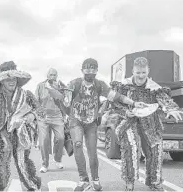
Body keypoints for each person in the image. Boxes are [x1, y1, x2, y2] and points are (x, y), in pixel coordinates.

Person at [63, 58, 146, 191]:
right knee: (77, 145)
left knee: (92, 151)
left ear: (96, 71)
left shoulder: (99, 85)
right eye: (87, 69)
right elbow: (65, 102)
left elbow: (116, 96)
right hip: (76, 121)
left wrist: (133, 103)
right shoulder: (74, 83)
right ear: (82, 70)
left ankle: (95, 179)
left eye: (93, 69)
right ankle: (83, 180)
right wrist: (65, 97)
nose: (90, 72)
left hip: (91, 124)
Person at [110, 57, 182, 191]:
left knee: (155, 149)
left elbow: (164, 100)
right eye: (138, 73)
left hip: (150, 123)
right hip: (129, 122)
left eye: (143, 72)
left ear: (148, 70)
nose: (141, 76)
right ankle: (129, 182)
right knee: (131, 147)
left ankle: (154, 181)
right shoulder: (124, 85)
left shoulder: (154, 87)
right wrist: (126, 112)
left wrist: (171, 109)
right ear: (133, 71)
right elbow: (115, 104)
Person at [0, 61, 41, 191]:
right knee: (3, 151)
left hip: (21, 131)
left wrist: (31, 116)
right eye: (8, 79)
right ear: (1, 81)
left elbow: (40, 110)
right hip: (1, 130)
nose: (11, 81)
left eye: (14, 78)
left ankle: (32, 184)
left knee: (22, 159)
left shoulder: (26, 94)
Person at [35, 68, 66, 173]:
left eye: (55, 75)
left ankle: (57, 159)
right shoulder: (40, 86)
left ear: (57, 76)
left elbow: (64, 101)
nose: (53, 76)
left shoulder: (60, 86)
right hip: (43, 117)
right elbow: (36, 101)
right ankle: (45, 164)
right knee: (44, 140)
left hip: (57, 116)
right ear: (47, 76)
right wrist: (38, 114)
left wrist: (65, 115)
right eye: (51, 74)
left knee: (61, 138)